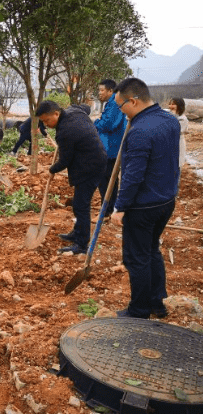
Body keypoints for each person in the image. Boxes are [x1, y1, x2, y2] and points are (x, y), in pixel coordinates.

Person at [111, 78, 180, 319]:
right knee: (152, 250)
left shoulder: (140, 131)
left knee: (137, 257)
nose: (121, 111)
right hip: (166, 200)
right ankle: (156, 304)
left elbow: (133, 175)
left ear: (133, 101)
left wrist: (120, 207)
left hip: (143, 205)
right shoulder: (169, 120)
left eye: (121, 106)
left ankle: (139, 310)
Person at [35, 101, 107, 254]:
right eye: (43, 122)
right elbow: (86, 108)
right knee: (78, 203)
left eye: (47, 120)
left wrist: (51, 169)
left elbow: (65, 161)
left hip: (90, 167)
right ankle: (77, 232)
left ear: (56, 113)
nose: (46, 124)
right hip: (95, 158)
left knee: (81, 206)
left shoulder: (65, 132)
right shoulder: (75, 110)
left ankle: (81, 245)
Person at [93, 79, 128, 222]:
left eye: (102, 90)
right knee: (110, 179)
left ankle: (106, 211)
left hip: (111, 148)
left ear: (110, 91)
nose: (99, 93)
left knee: (105, 180)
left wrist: (96, 122)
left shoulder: (114, 103)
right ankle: (108, 208)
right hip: (111, 147)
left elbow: (108, 124)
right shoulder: (112, 103)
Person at [168, 96, 188, 169]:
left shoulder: (183, 119)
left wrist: (173, 115)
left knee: (176, 165)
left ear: (179, 105)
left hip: (177, 142)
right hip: (168, 142)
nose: (171, 106)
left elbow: (175, 130)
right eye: (170, 104)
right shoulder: (167, 113)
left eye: (173, 104)